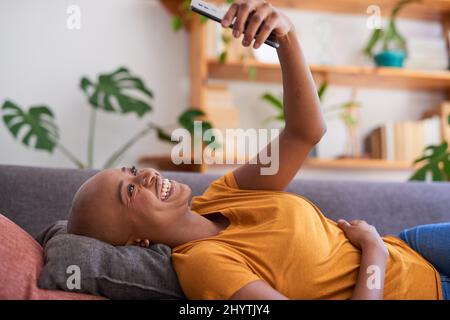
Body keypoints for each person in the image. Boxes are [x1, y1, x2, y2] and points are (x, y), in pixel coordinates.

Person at [67, 0, 448, 300]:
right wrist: (373, 254)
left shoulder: (221, 195)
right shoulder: (204, 267)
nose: (145, 175)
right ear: (138, 242)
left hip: (413, 245)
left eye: (132, 171)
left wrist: (285, 37)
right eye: (130, 191)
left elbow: (305, 132)